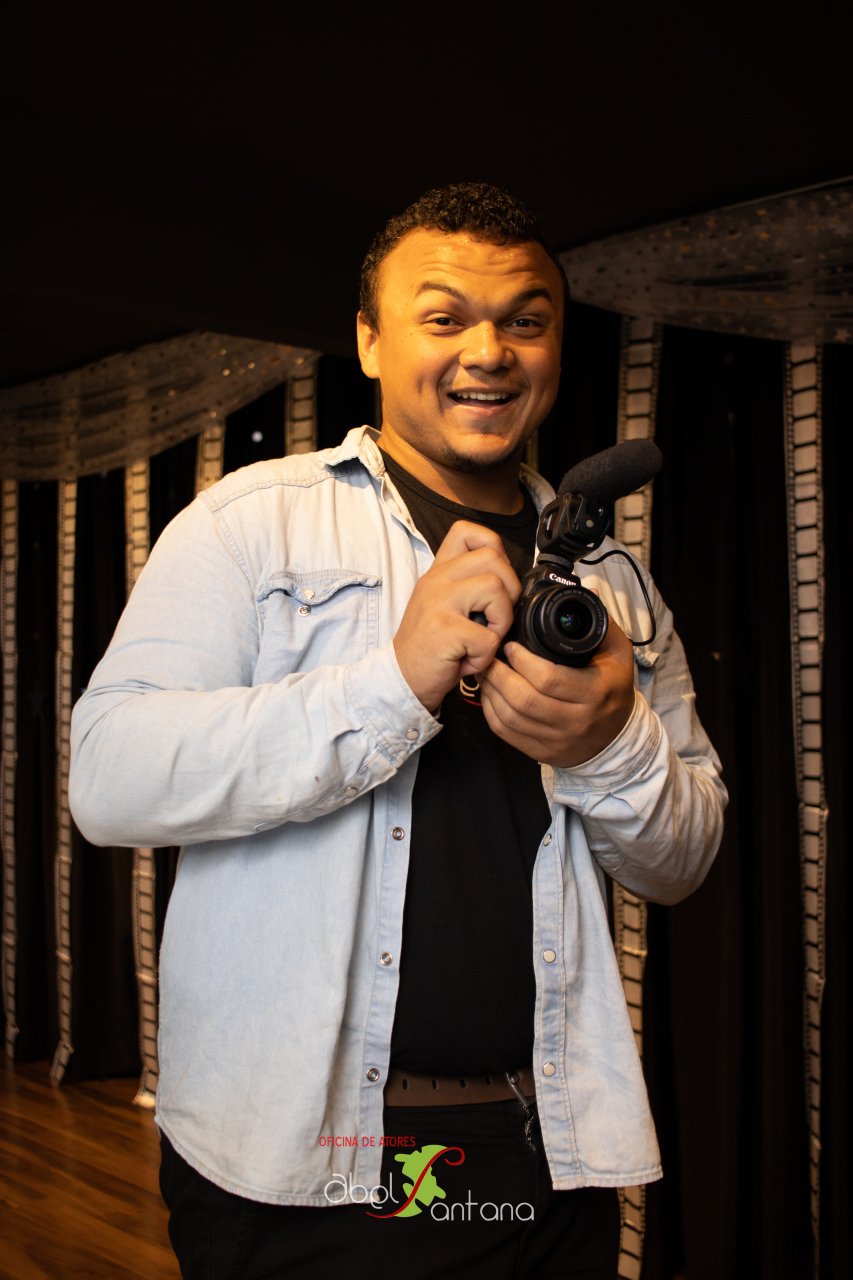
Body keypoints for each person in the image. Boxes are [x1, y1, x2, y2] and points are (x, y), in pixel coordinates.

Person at [69, 183, 726, 1279]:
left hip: (546, 1149)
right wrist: (390, 684)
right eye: (444, 317)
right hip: (306, 1161)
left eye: (525, 320)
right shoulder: (248, 523)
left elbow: (683, 859)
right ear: (371, 339)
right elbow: (109, 777)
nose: (490, 351)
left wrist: (610, 743)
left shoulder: (613, 584)